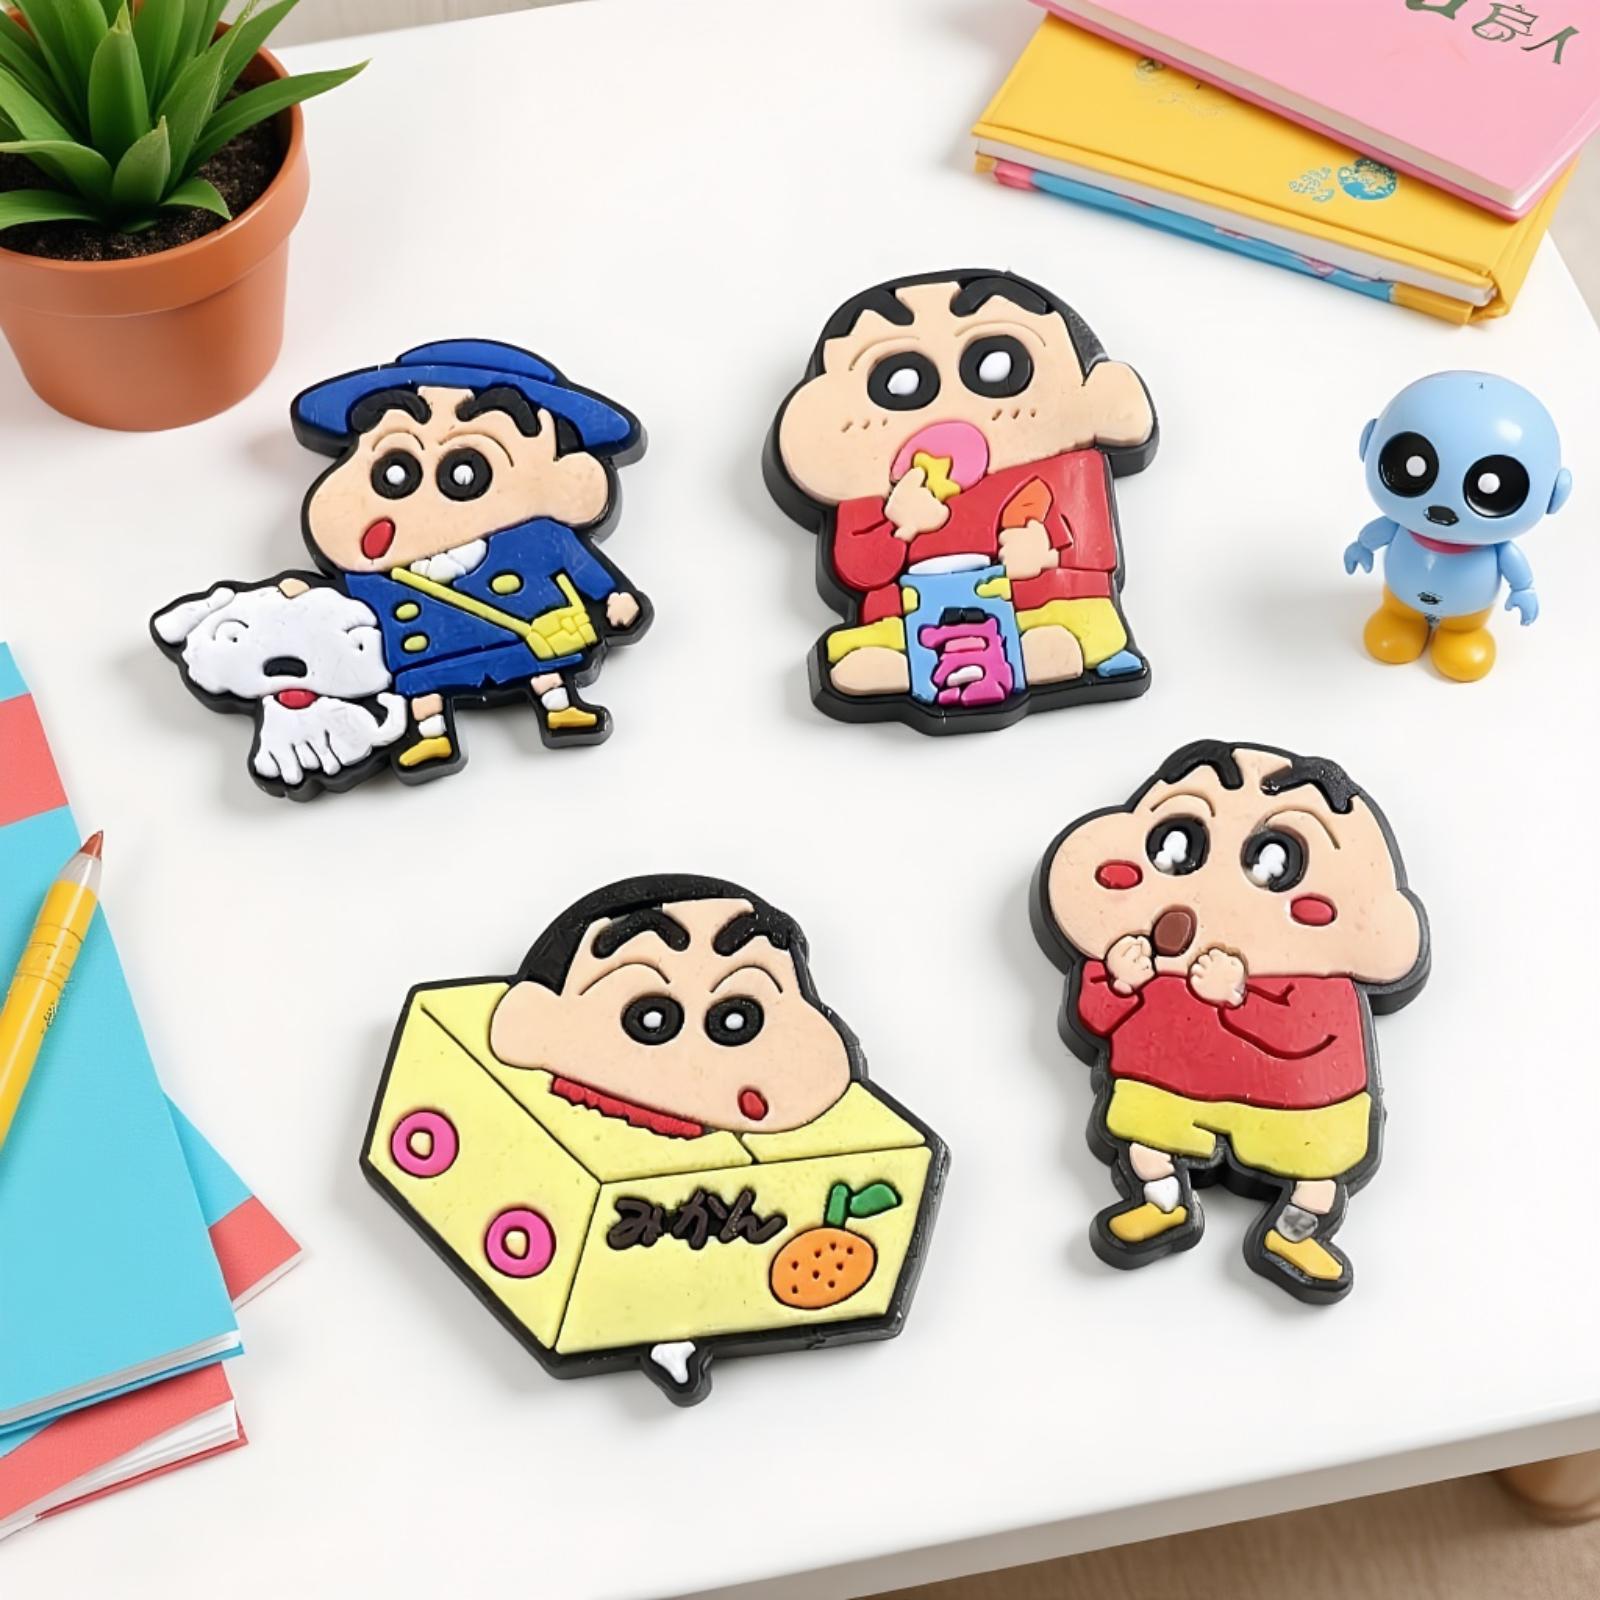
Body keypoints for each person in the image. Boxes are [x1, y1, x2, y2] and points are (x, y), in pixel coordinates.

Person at [1035, 741, 1429, 1301]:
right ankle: (1162, 1203)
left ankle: (1295, 1233)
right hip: (1170, 1082)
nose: (1215, 888)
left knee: (1316, 1171)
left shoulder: (1319, 971)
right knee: (1147, 1138)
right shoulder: (1147, 952)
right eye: (1174, 846)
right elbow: (1095, 1017)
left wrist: (1240, 995)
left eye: (1275, 865)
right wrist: (1120, 981)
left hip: (1292, 1102)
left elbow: (1312, 1033)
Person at [766, 270, 1157, 728]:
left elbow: (1087, 536)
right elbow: (858, 569)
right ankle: (917, 664)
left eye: (996, 365)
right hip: (912, 619)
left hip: (1043, 604)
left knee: (1075, 624)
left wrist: (1047, 552)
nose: (951, 404)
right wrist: (897, 527)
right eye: (899, 384)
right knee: (871, 646)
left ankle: (1045, 652)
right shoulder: (871, 490)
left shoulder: (1060, 463)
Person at [292, 339, 650, 775]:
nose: (424, 503)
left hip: (524, 630)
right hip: (430, 648)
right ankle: (431, 736)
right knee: (425, 685)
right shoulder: (375, 576)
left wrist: (613, 597)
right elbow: (348, 613)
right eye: (395, 471)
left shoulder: (535, 537)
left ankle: (559, 707)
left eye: (464, 473)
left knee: (543, 667)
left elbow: (578, 565)